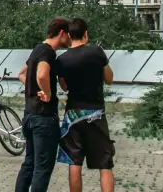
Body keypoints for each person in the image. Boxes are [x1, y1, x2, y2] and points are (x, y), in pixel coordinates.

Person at [56, 18, 115, 192]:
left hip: (73, 114)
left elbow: (64, 86)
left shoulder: (62, 59)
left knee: (74, 160)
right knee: (105, 162)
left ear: (68, 35)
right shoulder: (97, 52)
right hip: (95, 113)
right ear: (86, 34)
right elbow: (109, 79)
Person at [15, 17, 72, 192]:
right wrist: (46, 93)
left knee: (29, 163)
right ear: (61, 33)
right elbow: (41, 74)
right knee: (42, 168)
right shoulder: (48, 52)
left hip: (30, 115)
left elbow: (22, 74)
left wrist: (33, 90)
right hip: (44, 119)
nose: (70, 39)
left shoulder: (37, 49)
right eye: (69, 35)